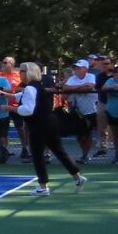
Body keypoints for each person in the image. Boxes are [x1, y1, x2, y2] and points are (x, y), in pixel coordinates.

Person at [15, 62, 87, 195]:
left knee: (37, 154)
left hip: (39, 124)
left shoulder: (31, 88)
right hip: (50, 122)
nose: (20, 73)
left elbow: (28, 110)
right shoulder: (36, 86)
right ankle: (78, 177)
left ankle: (43, 187)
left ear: (29, 73)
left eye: (23, 71)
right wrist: (3, 94)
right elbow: (20, 96)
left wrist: (12, 108)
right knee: (59, 151)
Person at [63, 60, 98, 162]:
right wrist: (81, 87)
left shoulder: (90, 76)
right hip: (77, 111)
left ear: (85, 69)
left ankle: (86, 155)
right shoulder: (72, 78)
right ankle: (84, 153)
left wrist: (73, 89)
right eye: (76, 67)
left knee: (87, 133)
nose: (77, 69)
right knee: (79, 136)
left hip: (91, 110)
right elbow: (65, 88)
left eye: (80, 67)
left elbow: (90, 87)